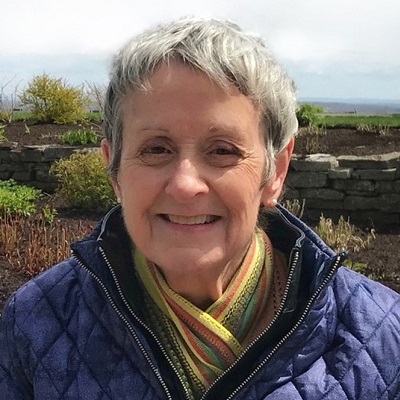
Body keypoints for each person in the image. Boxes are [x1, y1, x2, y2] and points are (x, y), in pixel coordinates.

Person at [0, 17, 399, 400]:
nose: (185, 184)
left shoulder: (383, 338)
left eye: (222, 151)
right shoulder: (34, 324)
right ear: (115, 170)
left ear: (275, 171)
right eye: (156, 149)